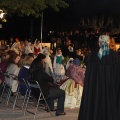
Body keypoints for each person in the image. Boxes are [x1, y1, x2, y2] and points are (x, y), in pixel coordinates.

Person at [78, 34, 120, 120]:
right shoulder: (114, 56)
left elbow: (89, 76)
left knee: (96, 101)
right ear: (108, 42)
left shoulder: (93, 55)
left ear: (99, 43)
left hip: (96, 87)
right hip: (110, 87)